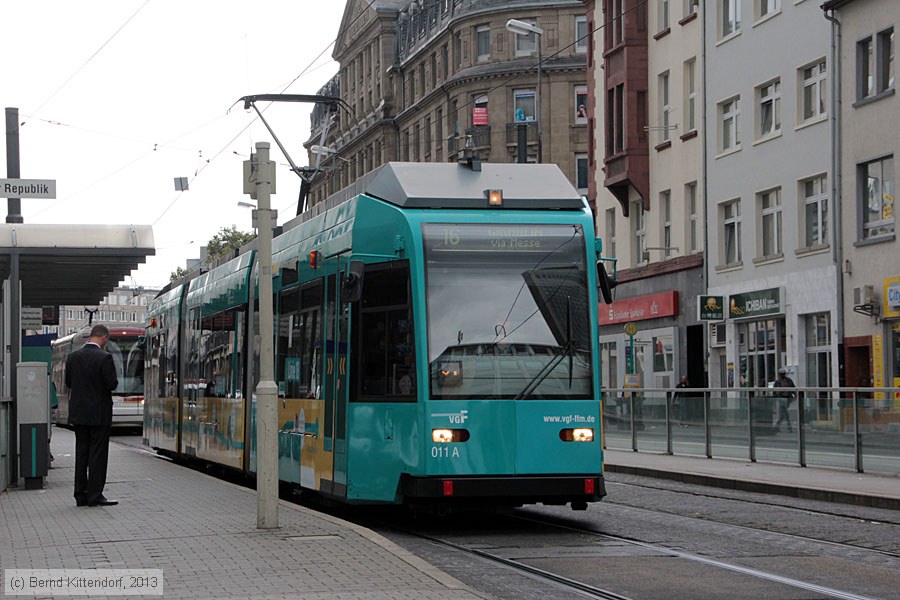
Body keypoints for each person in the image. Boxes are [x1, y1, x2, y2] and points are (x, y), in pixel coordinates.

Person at [66, 324, 119, 507]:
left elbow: (69, 382)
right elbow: (112, 384)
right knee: (97, 455)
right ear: (104, 338)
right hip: (99, 414)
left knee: (81, 453)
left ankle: (80, 494)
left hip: (79, 414)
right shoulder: (105, 358)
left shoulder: (73, 357)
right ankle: (95, 495)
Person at [773, 367, 795, 433]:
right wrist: (777, 397)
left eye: (783, 374)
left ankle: (777, 427)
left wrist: (795, 395)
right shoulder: (777, 382)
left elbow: (793, 388)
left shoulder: (788, 380)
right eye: (781, 374)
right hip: (781, 399)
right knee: (785, 413)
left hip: (787, 399)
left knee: (782, 415)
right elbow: (774, 392)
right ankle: (789, 427)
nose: (782, 375)